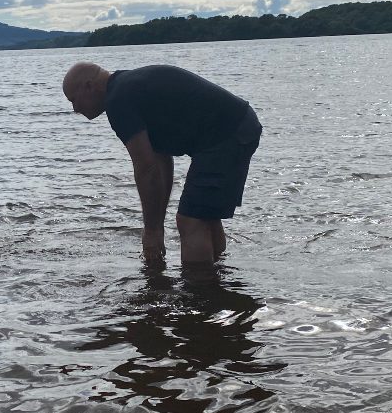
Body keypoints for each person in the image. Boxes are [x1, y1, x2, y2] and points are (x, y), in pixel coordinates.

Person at [62, 62, 262, 265]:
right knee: (205, 216)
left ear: (89, 86)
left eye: (74, 100)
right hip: (239, 126)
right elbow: (160, 162)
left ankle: (199, 291)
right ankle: (217, 281)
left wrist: (152, 230)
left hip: (227, 135)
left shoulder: (118, 100)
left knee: (190, 220)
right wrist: (157, 225)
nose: (75, 108)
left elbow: (146, 168)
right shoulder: (127, 88)